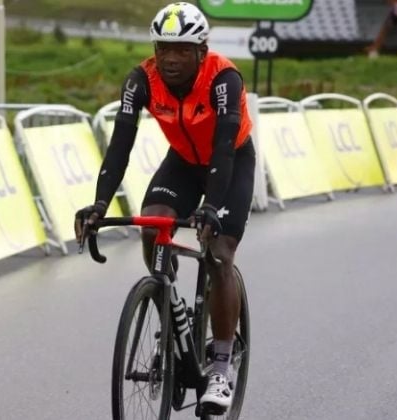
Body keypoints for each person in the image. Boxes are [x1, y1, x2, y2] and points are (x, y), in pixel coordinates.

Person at [74, 2, 254, 415]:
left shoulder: (223, 78)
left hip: (230, 162)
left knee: (220, 254)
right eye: (163, 49)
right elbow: (120, 145)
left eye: (181, 50)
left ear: (201, 51)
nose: (170, 59)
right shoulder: (141, 80)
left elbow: (224, 146)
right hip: (182, 164)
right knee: (153, 225)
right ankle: (170, 317)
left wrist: (211, 206)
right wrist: (100, 204)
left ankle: (222, 367)